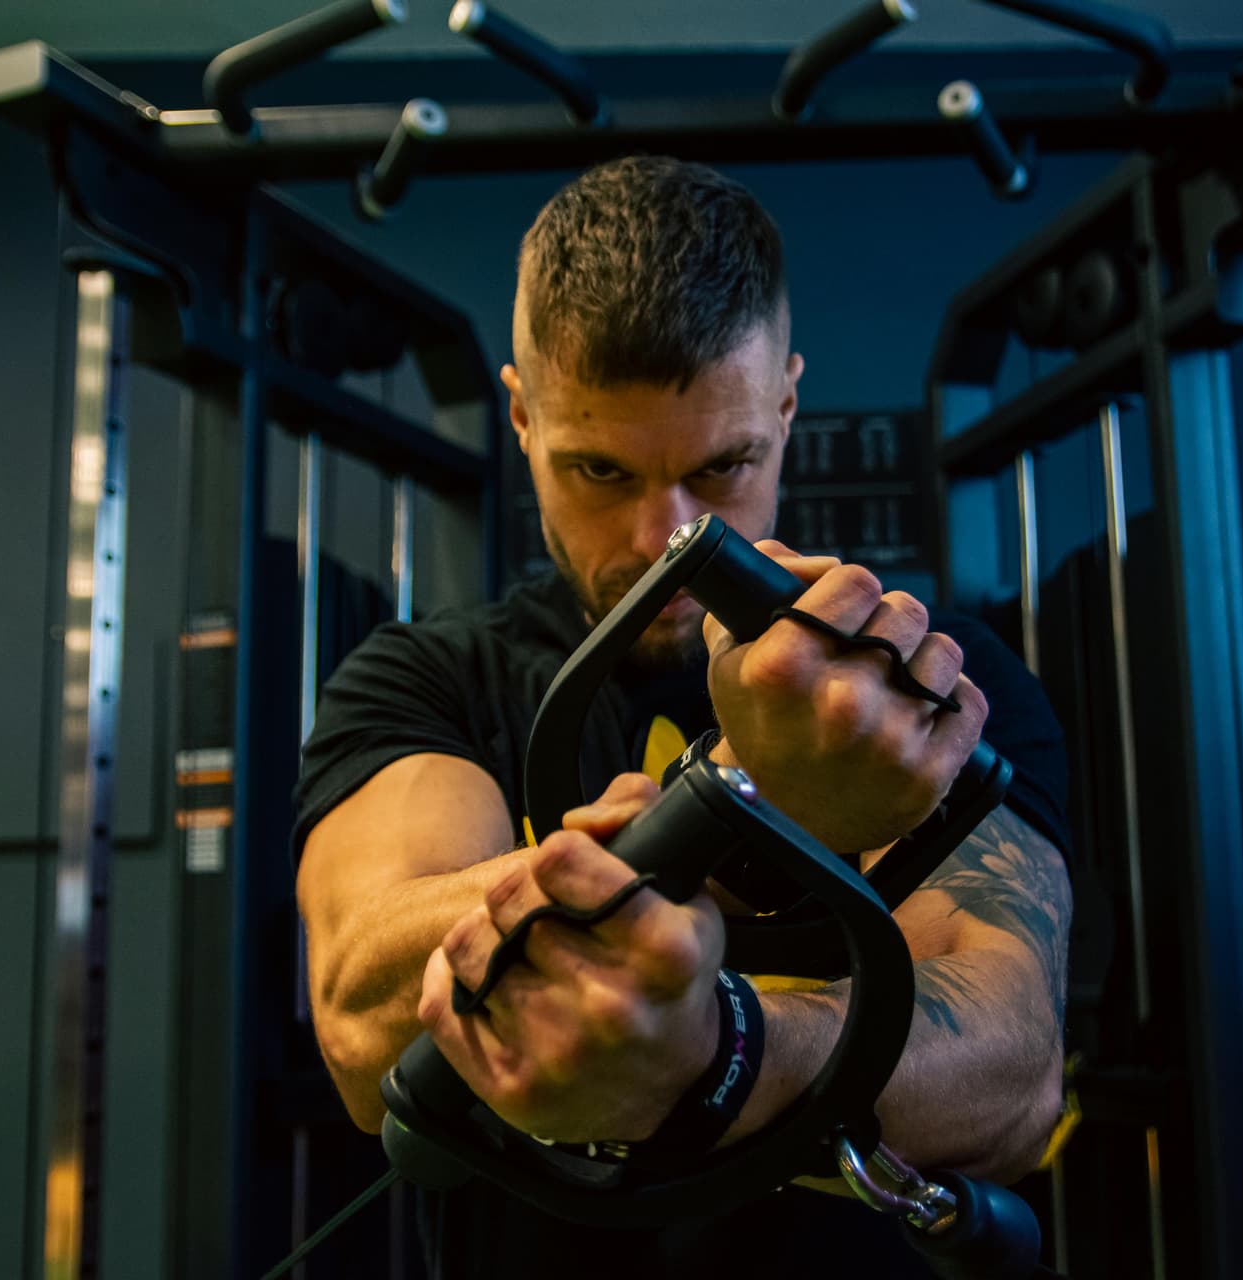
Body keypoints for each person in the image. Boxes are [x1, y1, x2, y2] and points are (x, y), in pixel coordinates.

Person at [293, 155, 1073, 1278]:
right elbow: (369, 1026)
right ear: (521, 417)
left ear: (786, 408)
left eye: (724, 466)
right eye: (600, 468)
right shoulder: (429, 679)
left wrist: (716, 1052)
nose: (668, 535)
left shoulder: (924, 681)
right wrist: (746, 808)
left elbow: (1010, 1076)